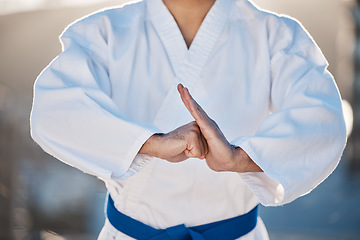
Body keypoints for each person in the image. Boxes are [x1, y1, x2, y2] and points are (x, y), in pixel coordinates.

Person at [30, 0, 347, 239]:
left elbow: (322, 121)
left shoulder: (276, 36)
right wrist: (151, 144)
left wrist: (239, 157)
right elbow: (54, 108)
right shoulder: (104, 32)